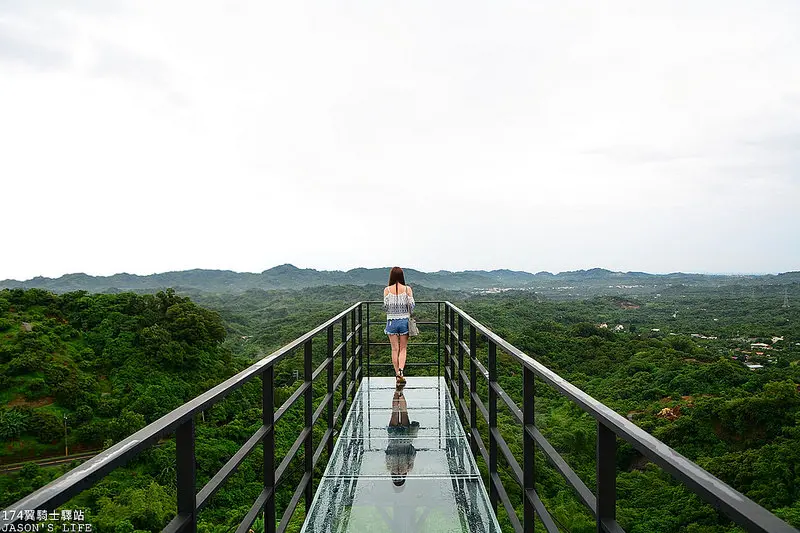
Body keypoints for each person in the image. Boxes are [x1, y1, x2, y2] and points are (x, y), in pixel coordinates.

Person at [383, 266, 415, 383]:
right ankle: (401, 370)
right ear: (402, 276)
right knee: (403, 348)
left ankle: (397, 374)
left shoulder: (387, 290)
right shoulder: (407, 289)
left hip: (391, 322)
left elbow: (385, 307)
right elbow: (412, 306)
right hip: (404, 322)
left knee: (394, 349)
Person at [385, 388, 419, 488]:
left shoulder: (408, 468)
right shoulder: (389, 467)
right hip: (393, 437)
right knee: (395, 412)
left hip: (406, 439)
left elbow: (412, 452)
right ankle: (397, 392)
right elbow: (387, 451)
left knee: (404, 412)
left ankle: (400, 392)